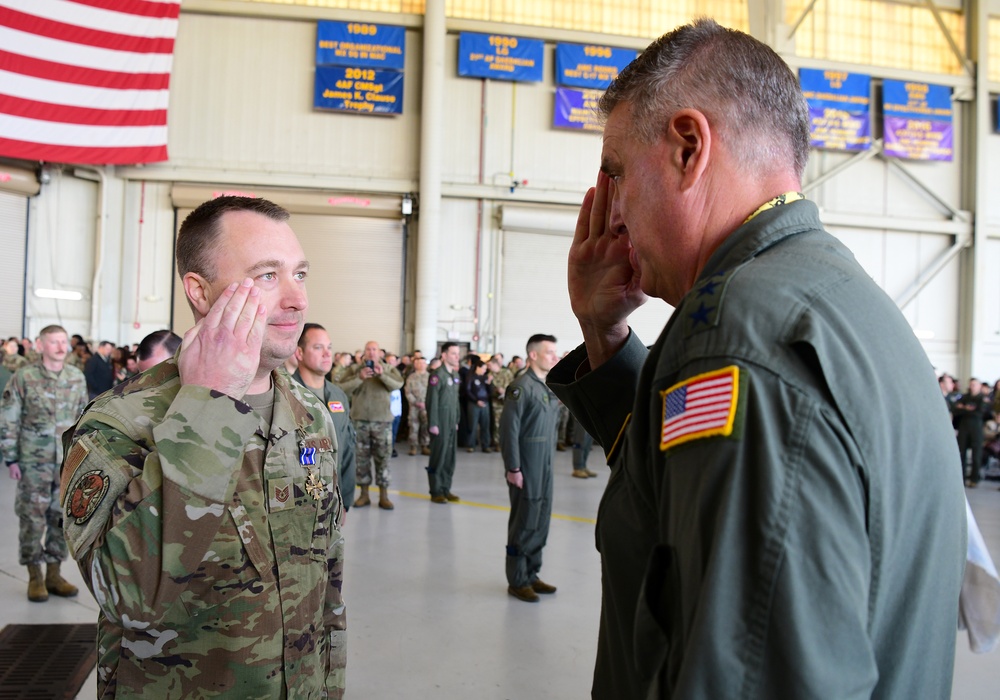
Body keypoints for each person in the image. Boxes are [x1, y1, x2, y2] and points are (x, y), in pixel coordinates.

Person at [546, 20, 966, 699]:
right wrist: (605, 337)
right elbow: (684, 505)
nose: (612, 213)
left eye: (618, 174)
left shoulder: (736, 340)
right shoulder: (835, 300)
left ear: (688, 147)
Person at [60, 196, 346, 697]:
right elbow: (129, 596)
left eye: (299, 274)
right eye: (266, 276)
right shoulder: (122, 422)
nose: (297, 299)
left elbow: (328, 585)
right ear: (200, 291)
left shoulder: (310, 413)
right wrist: (210, 403)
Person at [0, 324, 87, 602]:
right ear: (40, 345)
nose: (62, 347)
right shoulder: (23, 377)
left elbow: (83, 420)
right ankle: (34, 576)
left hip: (65, 463)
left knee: (60, 518)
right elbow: (9, 417)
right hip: (32, 462)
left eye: (64, 341)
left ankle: (54, 572)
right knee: (31, 519)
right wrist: (10, 456)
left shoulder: (76, 377)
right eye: (54, 342)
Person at [501, 334, 561, 603]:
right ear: (533, 355)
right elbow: (508, 430)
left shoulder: (546, 386)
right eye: (549, 352)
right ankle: (517, 580)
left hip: (545, 465)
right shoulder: (521, 387)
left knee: (541, 519)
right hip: (526, 466)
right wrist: (513, 467)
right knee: (524, 522)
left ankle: (532, 573)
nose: (554, 357)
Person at [292, 323, 357, 510]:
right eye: (318, 347)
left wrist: (345, 500)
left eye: (329, 347)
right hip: (298, 504)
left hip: (333, 501)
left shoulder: (338, 396)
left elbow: (347, 449)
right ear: (299, 353)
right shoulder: (286, 395)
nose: (327, 353)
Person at [337, 340, 403, 510]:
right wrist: (359, 379)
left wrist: (381, 375)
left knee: (383, 459)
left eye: (374, 349)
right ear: (364, 352)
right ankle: (364, 494)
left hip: (383, 422)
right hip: (360, 422)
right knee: (361, 460)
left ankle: (384, 495)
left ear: (380, 352)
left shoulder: (388, 368)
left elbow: (398, 385)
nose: (371, 352)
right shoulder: (355, 369)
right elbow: (340, 388)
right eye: (368, 349)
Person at [426, 342, 461, 503]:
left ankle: (446, 488)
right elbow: (432, 401)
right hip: (440, 422)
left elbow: (456, 401)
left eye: (457, 353)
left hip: (451, 421)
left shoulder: (454, 375)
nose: (457, 356)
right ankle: (436, 490)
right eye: (453, 353)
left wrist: (457, 420)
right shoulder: (437, 375)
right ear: (444, 355)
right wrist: (433, 423)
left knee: (450, 457)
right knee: (438, 457)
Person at [955, 377, 991, 488]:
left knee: (976, 454)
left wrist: (965, 409)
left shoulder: (982, 398)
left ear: (979, 386)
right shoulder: (965, 397)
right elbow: (956, 410)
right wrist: (968, 409)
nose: (972, 386)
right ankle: (961, 478)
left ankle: (974, 479)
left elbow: (980, 413)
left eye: (975, 384)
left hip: (976, 427)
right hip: (964, 427)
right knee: (961, 453)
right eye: (971, 384)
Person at [462, 357, 492, 453]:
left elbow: (490, 392)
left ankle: (485, 444)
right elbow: (468, 390)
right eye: (483, 368)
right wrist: (476, 400)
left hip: (485, 403)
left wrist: (489, 384)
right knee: (473, 425)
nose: (485, 370)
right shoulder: (471, 377)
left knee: (485, 425)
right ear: (478, 368)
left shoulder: (485, 378)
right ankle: (471, 444)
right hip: (474, 403)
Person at [404, 356, 431, 456]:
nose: (421, 365)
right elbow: (407, 392)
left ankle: (425, 446)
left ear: (426, 365)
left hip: (426, 406)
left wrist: (426, 403)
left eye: (423, 363)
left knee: (426, 426)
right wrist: (415, 402)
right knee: (413, 426)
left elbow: (433, 393)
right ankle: (413, 447)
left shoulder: (430, 377)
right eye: (419, 363)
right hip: (414, 406)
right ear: (415, 365)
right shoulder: (411, 377)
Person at [487, 355, 512, 450]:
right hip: (496, 403)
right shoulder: (490, 375)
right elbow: (488, 389)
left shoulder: (507, 373)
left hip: (507, 402)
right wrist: (496, 390)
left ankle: (506, 442)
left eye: (490, 365)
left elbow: (513, 385)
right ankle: (497, 442)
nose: (489, 367)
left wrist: (504, 391)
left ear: (495, 364)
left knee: (507, 423)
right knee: (497, 424)